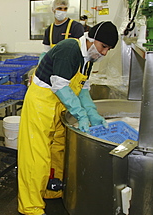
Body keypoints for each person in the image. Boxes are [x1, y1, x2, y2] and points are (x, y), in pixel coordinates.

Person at [18, 21, 119, 215]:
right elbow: (60, 86)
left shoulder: (88, 59)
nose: (105, 53)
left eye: (109, 49)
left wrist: (92, 113)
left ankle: (50, 190)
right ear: (92, 39)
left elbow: (82, 89)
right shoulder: (70, 49)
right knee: (36, 156)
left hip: (58, 106)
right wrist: (80, 114)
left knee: (58, 149)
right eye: (103, 47)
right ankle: (30, 207)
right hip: (41, 104)